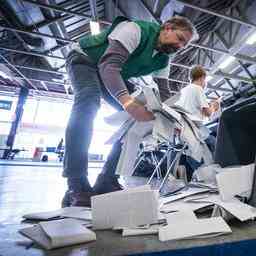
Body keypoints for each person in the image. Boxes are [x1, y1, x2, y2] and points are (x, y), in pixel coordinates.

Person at [62, 15, 197, 207]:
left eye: (185, 45)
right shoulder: (135, 30)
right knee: (88, 101)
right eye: (180, 39)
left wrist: (174, 119)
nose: (181, 46)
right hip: (85, 60)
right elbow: (109, 65)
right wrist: (128, 103)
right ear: (167, 28)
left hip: (112, 72)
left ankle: (107, 178)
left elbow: (164, 93)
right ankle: (76, 182)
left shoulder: (164, 59)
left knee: (144, 116)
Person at [175, 65, 218, 152]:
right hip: (194, 128)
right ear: (202, 77)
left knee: (193, 155)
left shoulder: (183, 91)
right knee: (214, 144)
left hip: (182, 129)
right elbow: (207, 113)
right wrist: (213, 107)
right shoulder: (198, 89)